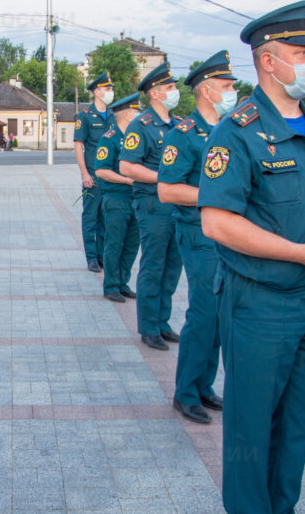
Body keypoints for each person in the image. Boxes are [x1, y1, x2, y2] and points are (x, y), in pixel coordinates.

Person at [198, 0, 305, 514]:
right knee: (253, 416)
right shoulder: (239, 133)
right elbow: (217, 221)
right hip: (258, 300)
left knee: (300, 417)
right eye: (302, 53)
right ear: (267, 61)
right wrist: (296, 253)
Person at [157, 50, 236, 424]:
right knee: (204, 311)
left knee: (220, 313)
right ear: (206, 91)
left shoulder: (230, 129)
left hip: (229, 233)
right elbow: (168, 190)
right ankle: (186, 392)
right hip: (197, 232)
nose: (232, 91)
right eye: (226, 86)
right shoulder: (184, 135)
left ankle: (205, 385)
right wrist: (214, 197)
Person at [119, 62, 184, 351]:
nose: (175, 91)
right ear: (155, 94)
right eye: (170, 87)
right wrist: (164, 179)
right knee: (154, 264)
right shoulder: (140, 125)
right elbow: (126, 166)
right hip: (152, 204)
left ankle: (163, 322)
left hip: (178, 206)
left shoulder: (179, 124)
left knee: (172, 266)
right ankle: (148, 327)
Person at [95, 93, 141, 303]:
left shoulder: (136, 139)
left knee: (131, 244)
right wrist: (127, 180)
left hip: (136, 199)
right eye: (137, 111)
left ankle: (123, 282)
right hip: (116, 198)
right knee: (114, 243)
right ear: (127, 114)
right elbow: (101, 171)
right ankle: (111, 285)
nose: (140, 115)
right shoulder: (109, 138)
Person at [74, 72, 116, 272]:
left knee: (106, 218)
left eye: (111, 89)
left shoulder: (114, 116)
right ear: (97, 92)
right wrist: (84, 173)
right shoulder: (85, 116)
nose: (111, 92)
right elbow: (78, 146)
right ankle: (91, 257)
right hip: (93, 175)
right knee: (90, 216)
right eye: (108, 89)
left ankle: (102, 256)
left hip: (111, 176)